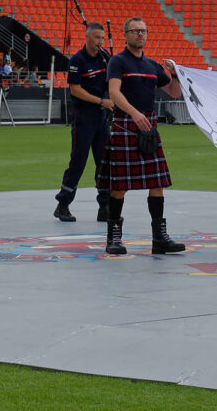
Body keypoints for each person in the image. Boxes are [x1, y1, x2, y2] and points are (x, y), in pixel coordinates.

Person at [103, 17, 185, 255]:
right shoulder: (117, 62)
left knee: (157, 183)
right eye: (135, 31)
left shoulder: (152, 65)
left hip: (147, 125)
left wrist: (176, 74)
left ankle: (159, 238)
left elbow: (174, 92)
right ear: (125, 34)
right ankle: (114, 238)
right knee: (119, 185)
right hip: (126, 124)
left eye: (143, 31)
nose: (140, 34)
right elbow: (113, 92)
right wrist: (135, 113)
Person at [54, 22, 113, 223]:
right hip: (84, 116)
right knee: (78, 161)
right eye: (96, 38)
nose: (100, 42)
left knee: (105, 162)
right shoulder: (77, 60)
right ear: (87, 37)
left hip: (101, 117)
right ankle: (63, 204)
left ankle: (104, 205)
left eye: (102, 39)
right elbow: (75, 89)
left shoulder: (104, 59)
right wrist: (101, 101)